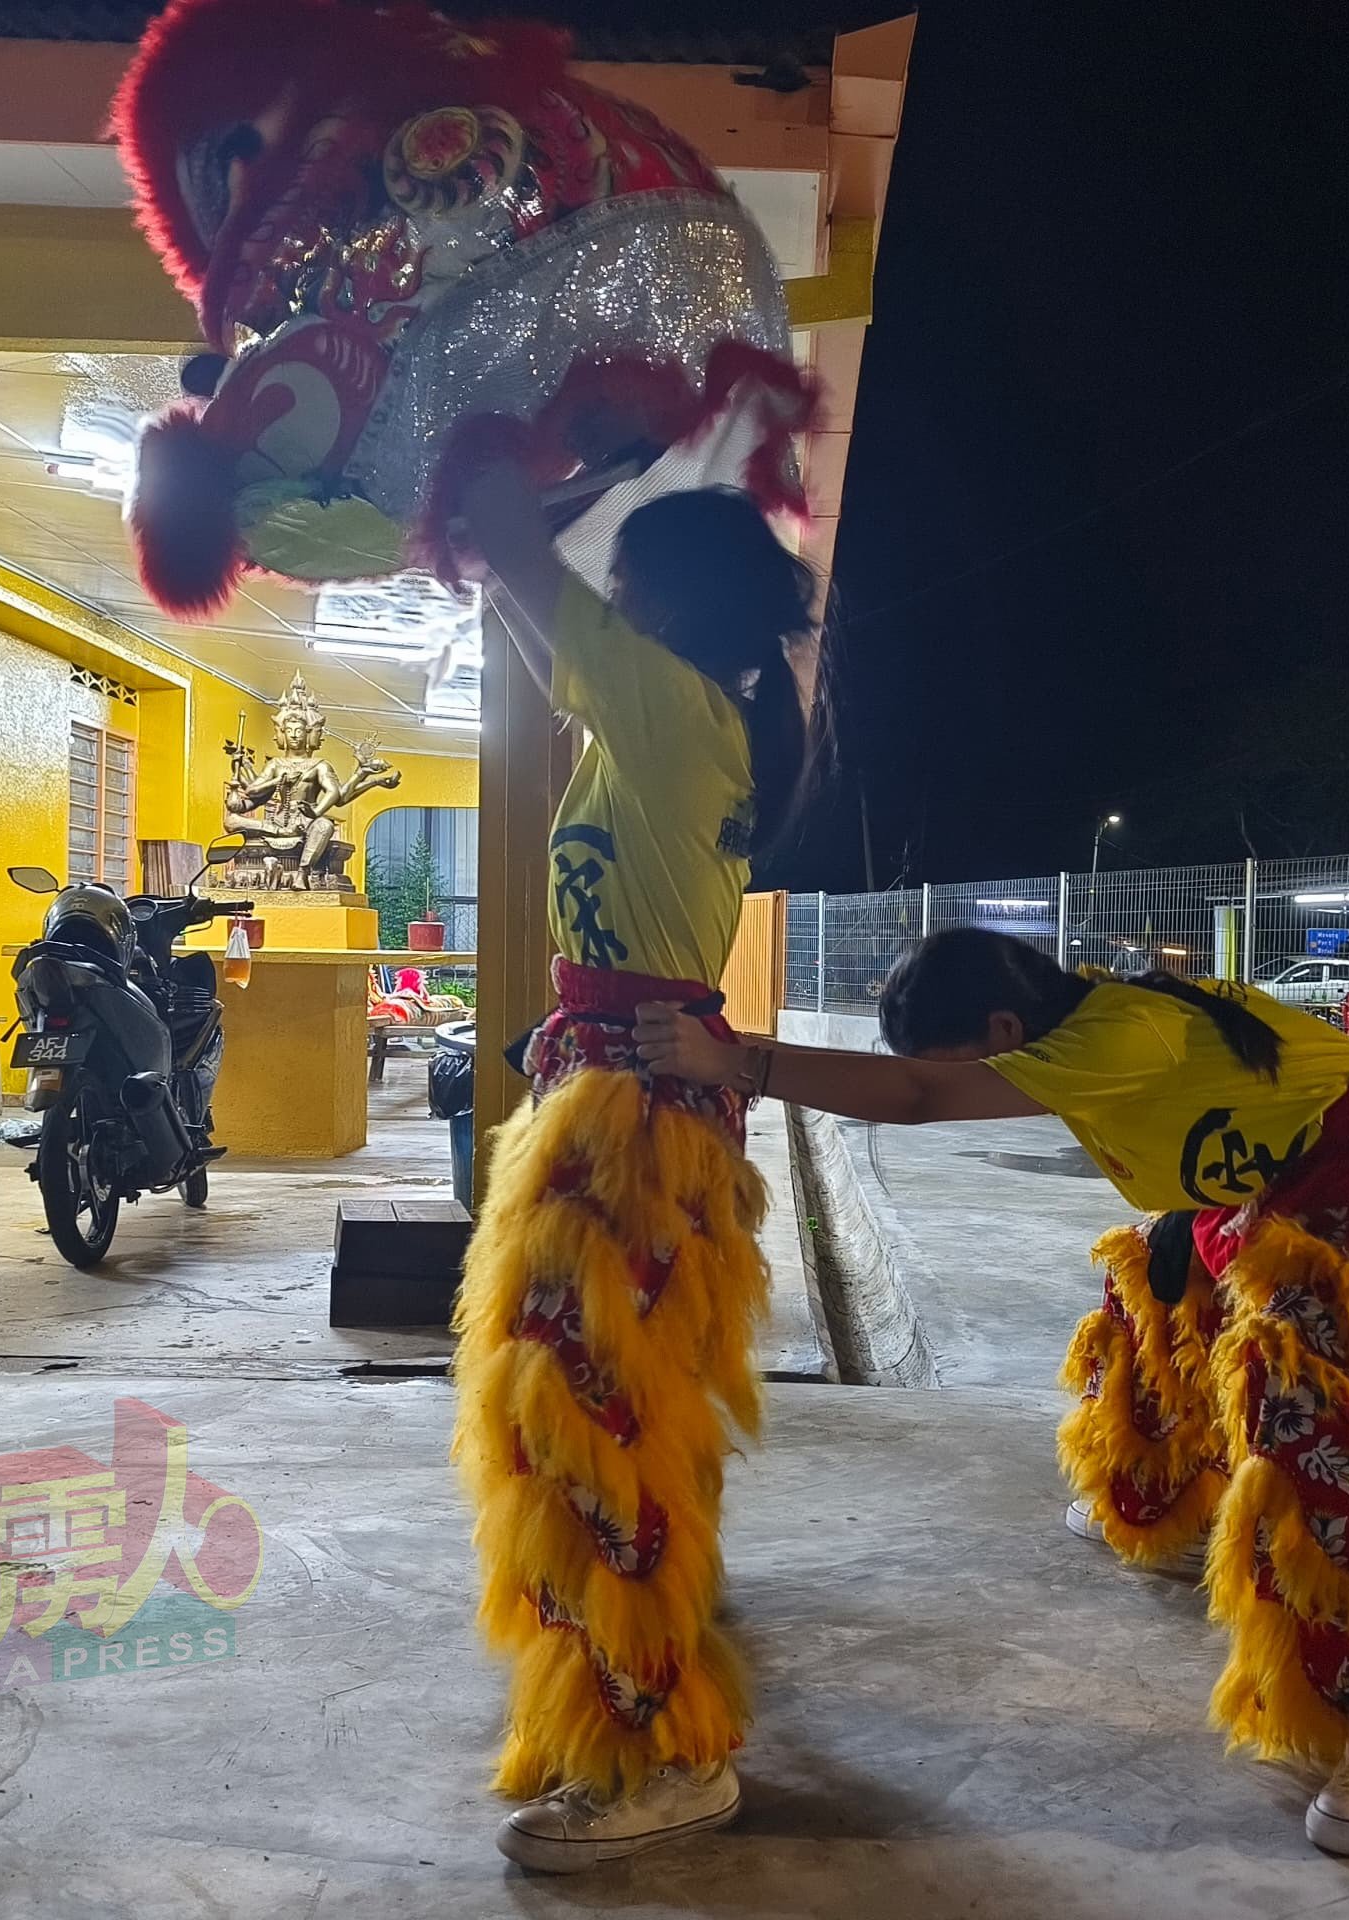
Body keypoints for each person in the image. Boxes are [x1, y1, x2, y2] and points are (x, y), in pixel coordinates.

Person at [635, 930, 1349, 1857]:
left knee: (1305, 1400)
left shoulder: (1115, 1034)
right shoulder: (1087, 1011)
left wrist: (736, 1062)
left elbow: (917, 1098)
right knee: (1150, 1285)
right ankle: (1177, 1503)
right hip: (1267, 1197)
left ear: (1006, 1026)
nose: (972, 1081)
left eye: (968, 1056)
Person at [448, 466, 820, 1872]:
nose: (607, 605)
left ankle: (662, 1757)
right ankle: (634, 1692)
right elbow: (539, 619)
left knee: (593, 1429)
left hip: (633, 1131)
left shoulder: (673, 712)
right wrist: (509, 546)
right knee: (612, 1422)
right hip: (617, 1104)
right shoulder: (660, 719)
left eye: (629, 583)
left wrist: (493, 475)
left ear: (674, 604)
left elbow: (513, 561)